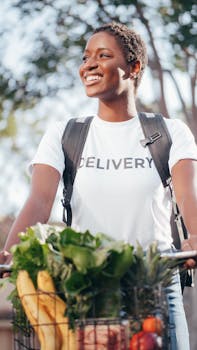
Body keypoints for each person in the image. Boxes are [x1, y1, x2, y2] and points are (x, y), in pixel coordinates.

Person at [1, 21, 197, 349]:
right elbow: (39, 200)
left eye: (103, 55)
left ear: (133, 67)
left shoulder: (169, 132)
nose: (89, 64)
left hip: (156, 285)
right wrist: (9, 251)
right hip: (88, 291)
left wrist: (195, 237)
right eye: (85, 57)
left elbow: (188, 192)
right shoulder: (65, 134)